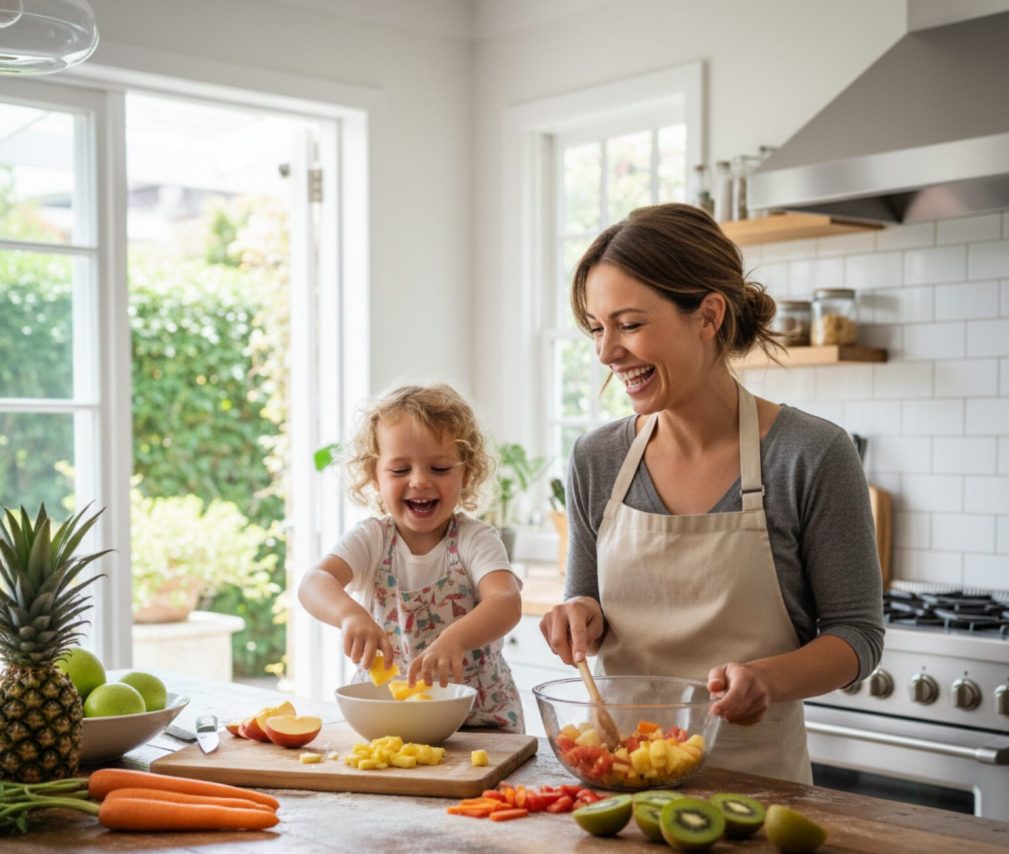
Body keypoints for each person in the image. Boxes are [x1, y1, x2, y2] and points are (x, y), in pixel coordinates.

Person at [540, 203, 884, 783]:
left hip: (760, 796)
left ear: (708, 316)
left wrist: (768, 680)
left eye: (628, 324)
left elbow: (858, 637)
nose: (606, 352)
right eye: (598, 329)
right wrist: (577, 616)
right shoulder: (597, 459)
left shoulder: (813, 454)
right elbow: (587, 607)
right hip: (618, 784)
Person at [299, 383, 524, 731]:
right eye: (400, 470)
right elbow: (314, 583)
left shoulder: (475, 539)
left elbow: (505, 600)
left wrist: (455, 640)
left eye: (440, 468)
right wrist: (349, 615)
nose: (419, 481)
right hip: (390, 720)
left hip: (478, 723)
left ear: (467, 472)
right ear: (374, 475)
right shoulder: (372, 539)